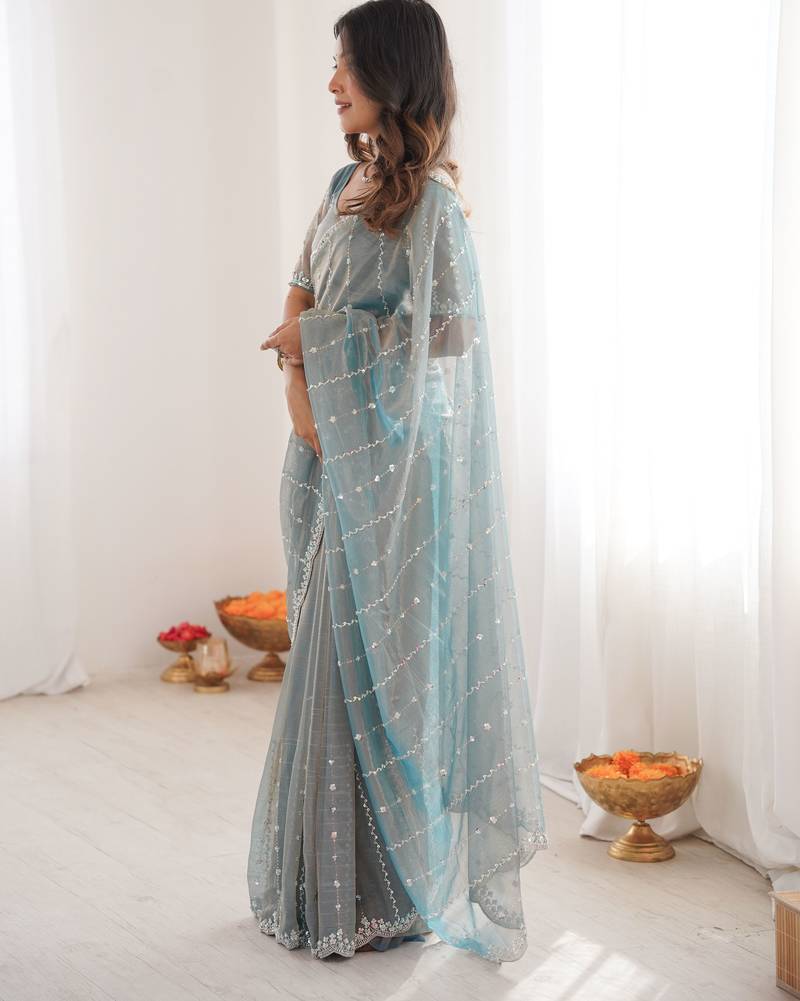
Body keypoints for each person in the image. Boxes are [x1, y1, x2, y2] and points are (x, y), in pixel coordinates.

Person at [247, 0, 549, 963]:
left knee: (365, 672)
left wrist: (318, 345)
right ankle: (316, 885)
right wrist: (299, 366)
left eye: (346, 64)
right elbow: (301, 286)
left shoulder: (437, 209)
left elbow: (451, 336)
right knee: (320, 658)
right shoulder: (344, 183)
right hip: (324, 451)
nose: (332, 82)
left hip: (388, 470)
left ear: (392, 72)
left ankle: (377, 894)